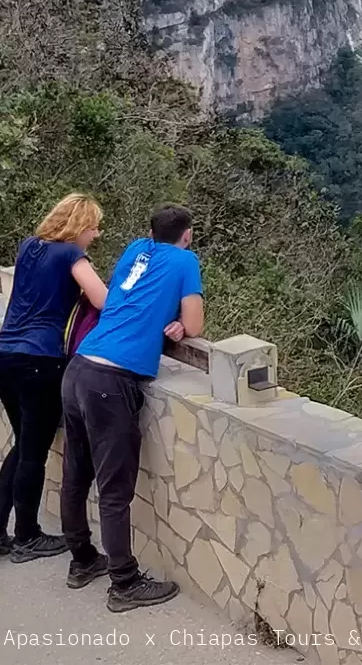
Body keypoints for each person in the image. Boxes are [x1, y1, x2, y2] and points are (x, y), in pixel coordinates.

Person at [61, 204, 203, 612]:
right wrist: (179, 320)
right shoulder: (185, 260)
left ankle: (82, 561)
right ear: (187, 235)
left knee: (76, 473)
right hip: (111, 381)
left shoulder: (136, 250)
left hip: (80, 368)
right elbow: (194, 325)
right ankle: (123, 582)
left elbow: (130, 295)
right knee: (115, 488)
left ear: (151, 231)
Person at [0, 194, 108, 563]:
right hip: (40, 360)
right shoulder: (70, 255)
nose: (95, 234)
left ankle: (1, 533)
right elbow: (103, 300)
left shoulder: (29, 246)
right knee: (33, 452)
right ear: (79, 225)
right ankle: (27, 536)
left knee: (22, 444)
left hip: (7, 354)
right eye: (93, 227)